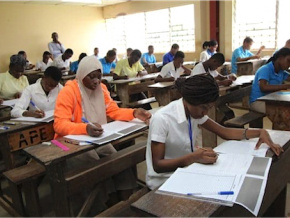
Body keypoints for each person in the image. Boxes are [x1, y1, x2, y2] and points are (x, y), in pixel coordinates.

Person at [146, 75, 283, 190]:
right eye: (203, 108)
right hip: (163, 181)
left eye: (209, 107)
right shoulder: (162, 119)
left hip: (186, 171)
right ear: (188, 101)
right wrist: (193, 157)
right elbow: (158, 166)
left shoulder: (194, 112)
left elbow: (224, 132)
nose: (205, 113)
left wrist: (259, 132)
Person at [53, 56, 151, 209]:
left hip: (96, 138)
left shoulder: (102, 89)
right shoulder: (69, 91)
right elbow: (59, 124)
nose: (96, 81)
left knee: (117, 159)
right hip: (71, 142)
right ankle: (100, 205)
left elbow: (113, 110)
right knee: (92, 165)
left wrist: (134, 113)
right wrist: (84, 128)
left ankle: (126, 202)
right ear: (82, 74)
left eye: (99, 77)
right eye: (92, 77)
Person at [249, 48, 290, 114]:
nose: (289, 65)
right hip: (258, 101)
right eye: (288, 61)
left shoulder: (281, 71)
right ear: (280, 58)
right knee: (282, 112)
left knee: (285, 110)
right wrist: (286, 86)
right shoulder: (265, 69)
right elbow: (263, 87)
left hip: (270, 100)